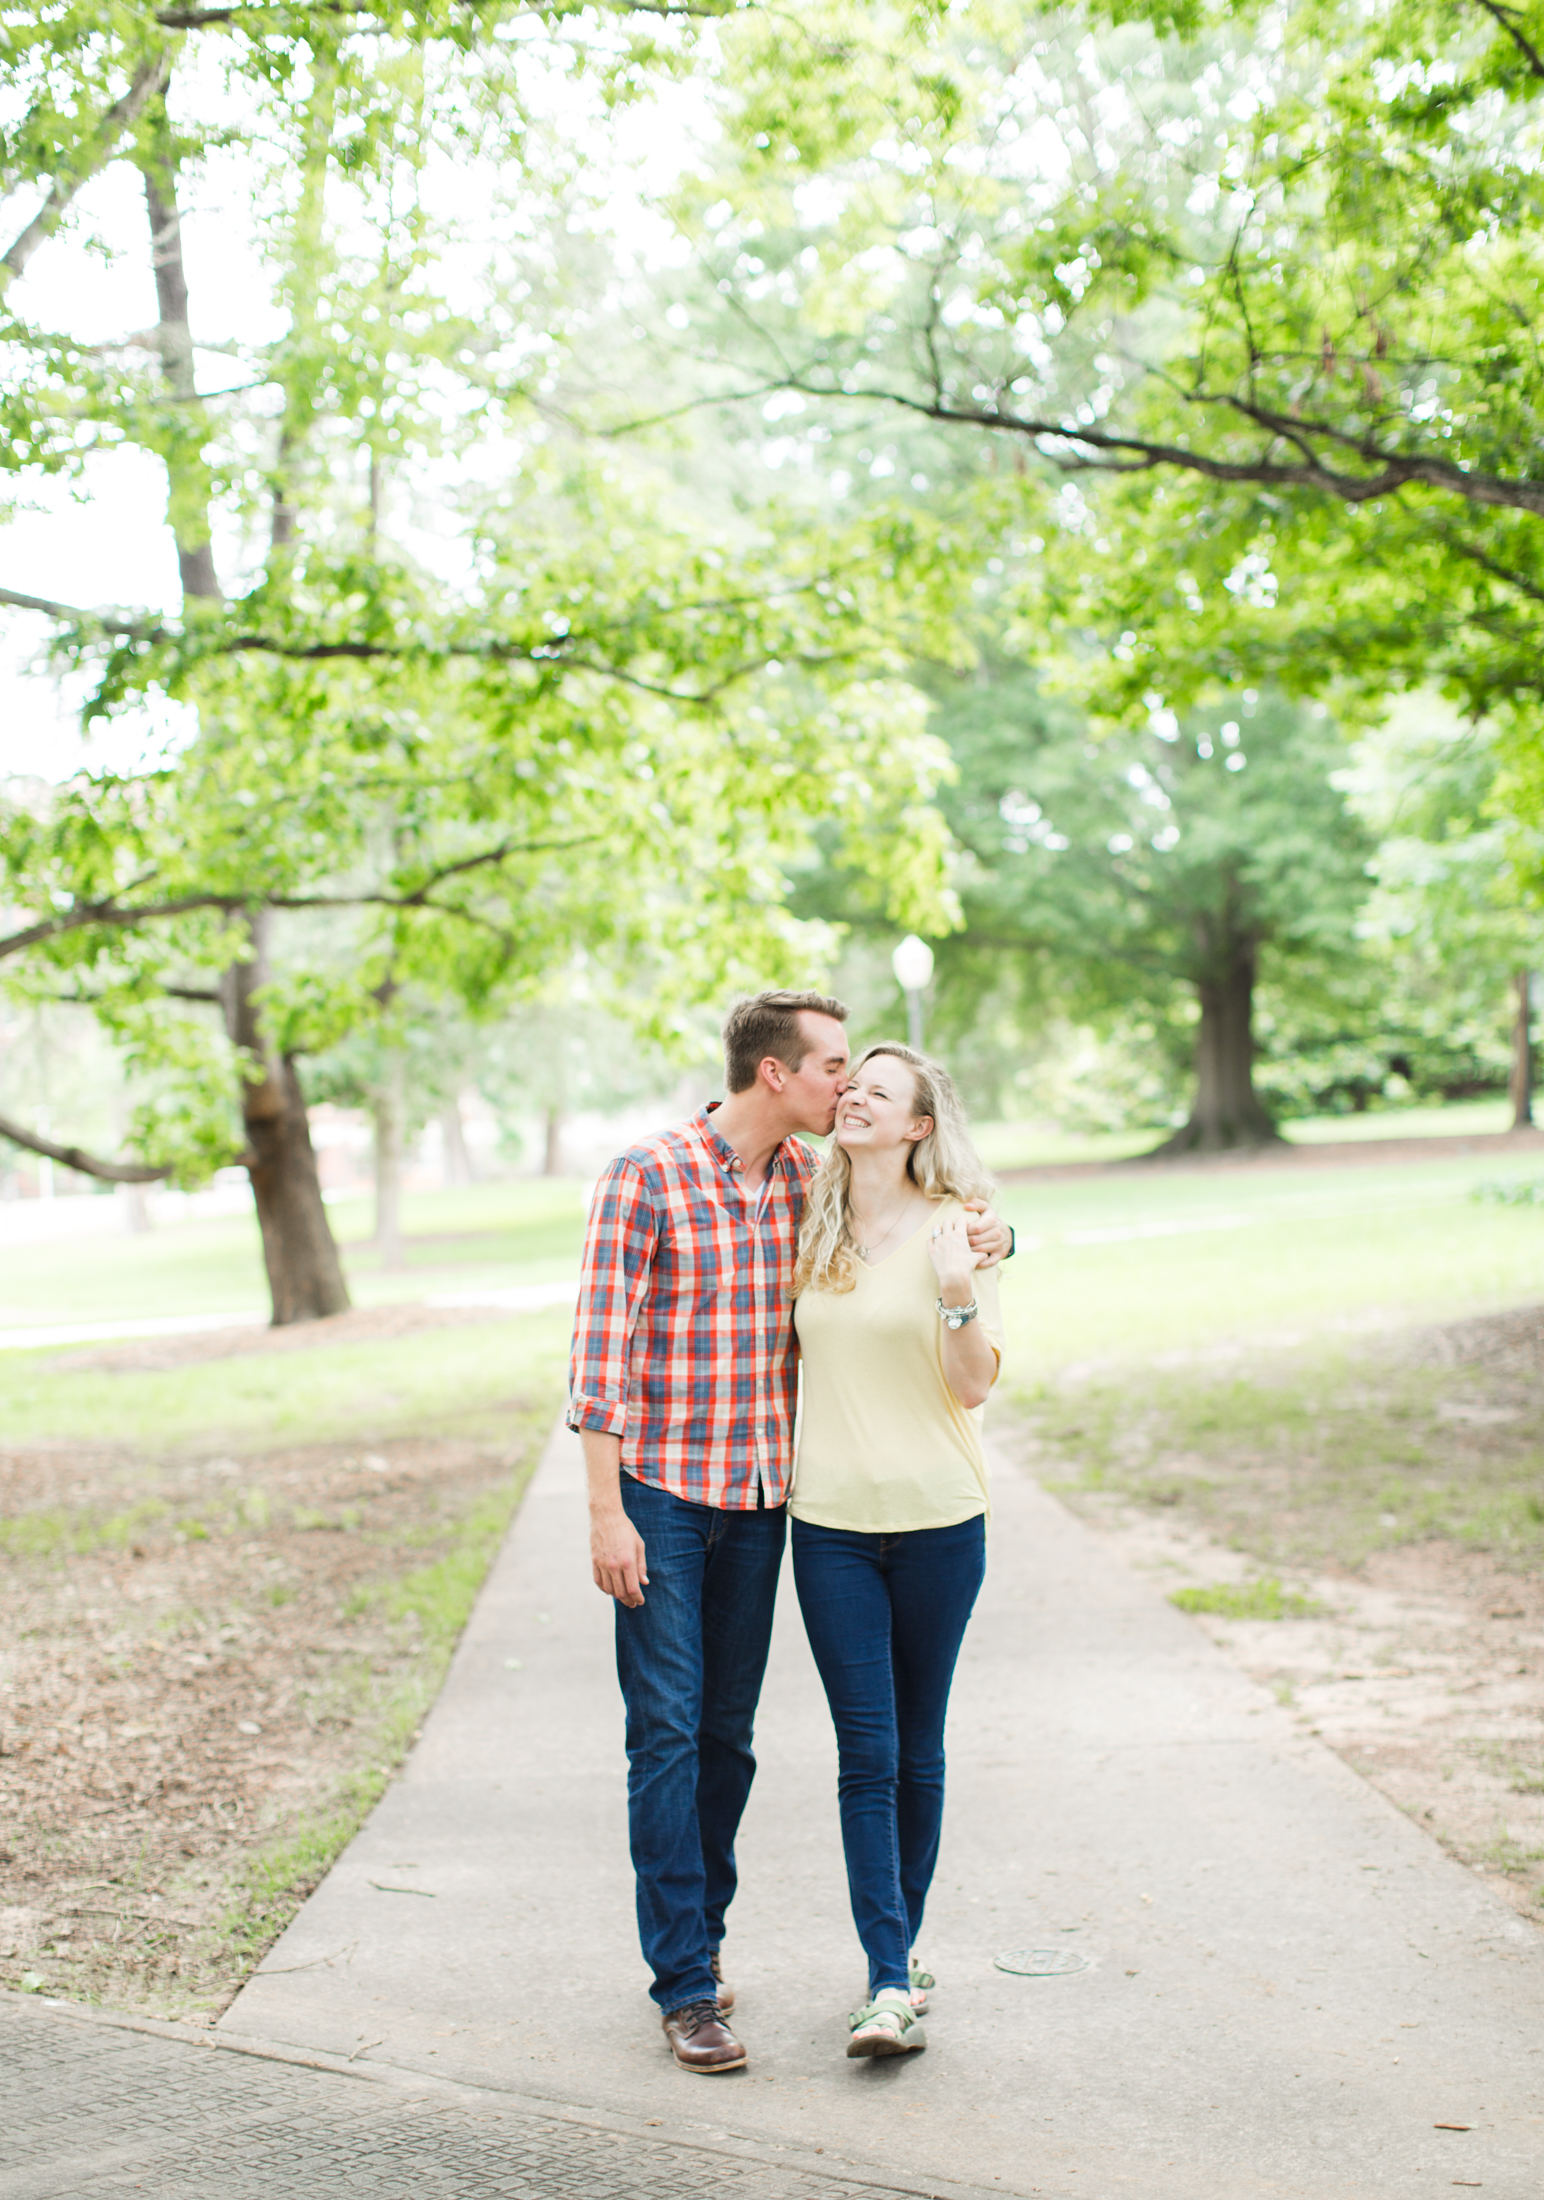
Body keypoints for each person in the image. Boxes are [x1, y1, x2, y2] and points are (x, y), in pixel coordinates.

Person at [568, 991, 1012, 2074]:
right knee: (667, 1734)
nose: (844, 1087)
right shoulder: (648, 1175)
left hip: (766, 1503)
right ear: (778, 1076)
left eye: (861, 1079)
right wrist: (604, 1507)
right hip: (666, 1499)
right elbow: (596, 1355)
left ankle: (809, 1952)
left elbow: (934, 1216)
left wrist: (1000, 1241)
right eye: (830, 1070)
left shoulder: (803, 1190)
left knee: (727, 1737)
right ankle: (684, 1979)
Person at [789, 1041, 1003, 2059]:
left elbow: (972, 1384)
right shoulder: (808, 1214)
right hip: (826, 1524)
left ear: (918, 1123)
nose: (854, 1096)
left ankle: (899, 1953)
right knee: (864, 1754)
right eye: (850, 1084)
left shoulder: (957, 1228)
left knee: (918, 1750)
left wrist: (959, 1283)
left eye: (879, 1091)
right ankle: (885, 1978)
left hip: (937, 1521)